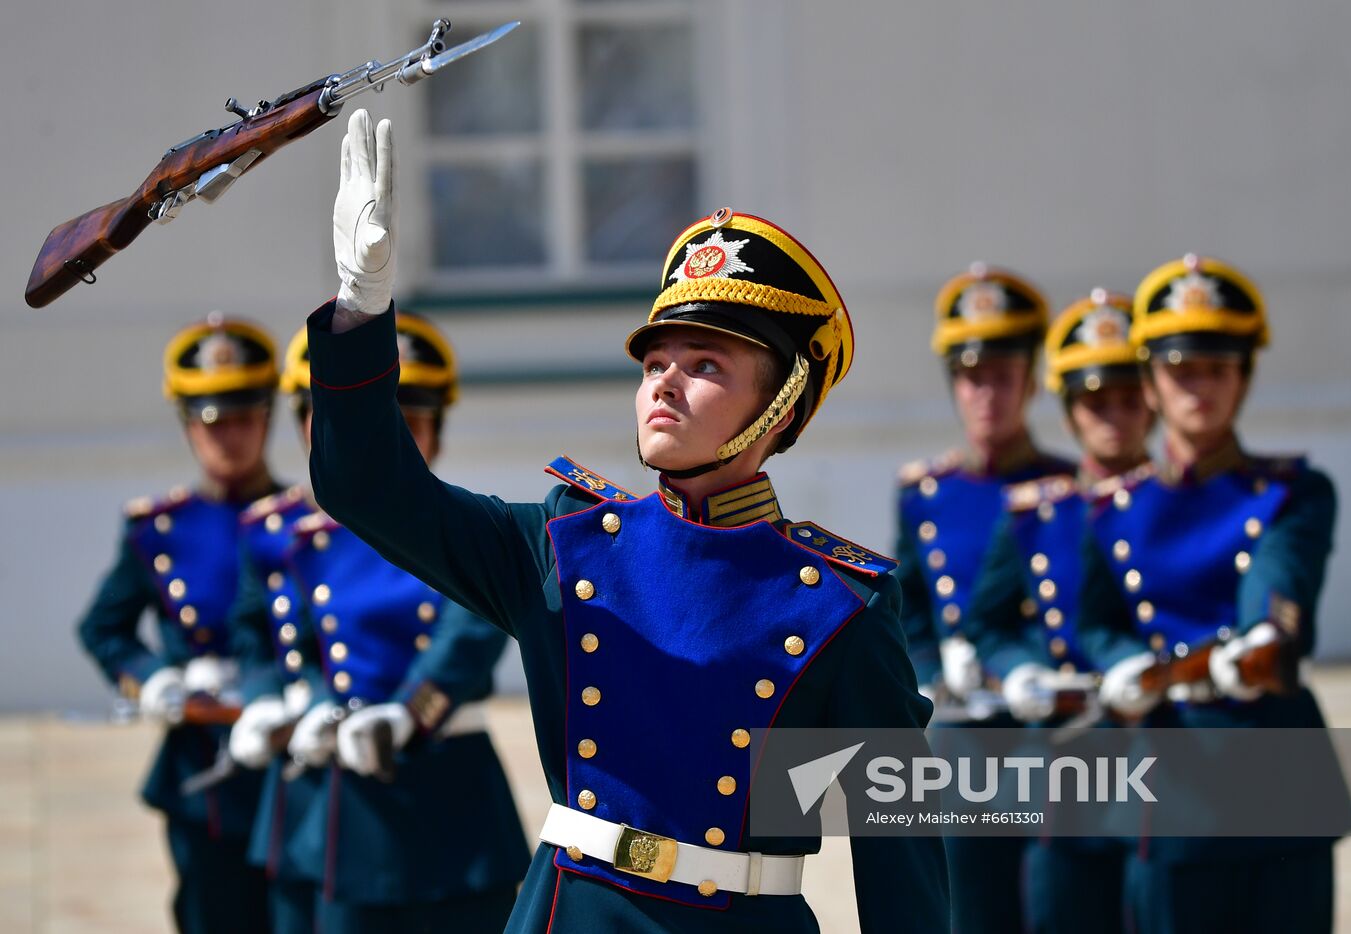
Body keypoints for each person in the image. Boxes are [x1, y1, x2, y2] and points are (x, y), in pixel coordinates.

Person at [296, 108, 950, 932]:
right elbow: (369, 489)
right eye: (655, 362)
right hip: (574, 913)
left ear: (782, 406)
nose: (665, 383)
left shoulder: (839, 606)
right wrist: (362, 309)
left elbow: (902, 850)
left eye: (705, 364)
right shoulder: (565, 546)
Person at [228, 320, 532, 932]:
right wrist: (287, 702)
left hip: (445, 789)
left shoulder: (465, 530)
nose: (385, 441)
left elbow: (470, 633)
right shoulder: (280, 535)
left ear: (437, 432)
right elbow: (261, 641)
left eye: (409, 423)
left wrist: (408, 713)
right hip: (327, 798)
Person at [1082, 254, 1347, 933]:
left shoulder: (1291, 492)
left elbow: (1282, 576)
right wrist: (1120, 664)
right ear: (1149, 381)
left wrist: (1261, 636)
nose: (1200, 387)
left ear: (1245, 378)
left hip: (1279, 772)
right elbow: (1096, 618)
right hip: (1172, 780)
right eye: (1181, 369)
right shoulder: (1107, 509)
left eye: (1218, 369)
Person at [76, 314, 281, 934]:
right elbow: (102, 628)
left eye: (246, 417)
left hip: (291, 758)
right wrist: (152, 679)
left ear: (269, 417)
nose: (231, 438)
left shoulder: (302, 524)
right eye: (213, 421)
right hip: (202, 768)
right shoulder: (157, 530)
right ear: (188, 425)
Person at [961, 289, 1154, 934]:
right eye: (1096, 401)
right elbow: (987, 621)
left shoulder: (1180, 504)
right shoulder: (1037, 513)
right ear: (1069, 410)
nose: (1116, 418)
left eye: (1131, 399)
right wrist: (1016, 670)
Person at [893, 263, 1072, 933]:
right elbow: (907, 610)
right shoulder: (926, 493)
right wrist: (935, 677)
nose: (985, 394)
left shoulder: (1069, 486)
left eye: (1001, 375)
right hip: (963, 729)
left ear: (1030, 380)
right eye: (970, 378)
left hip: (1048, 725)